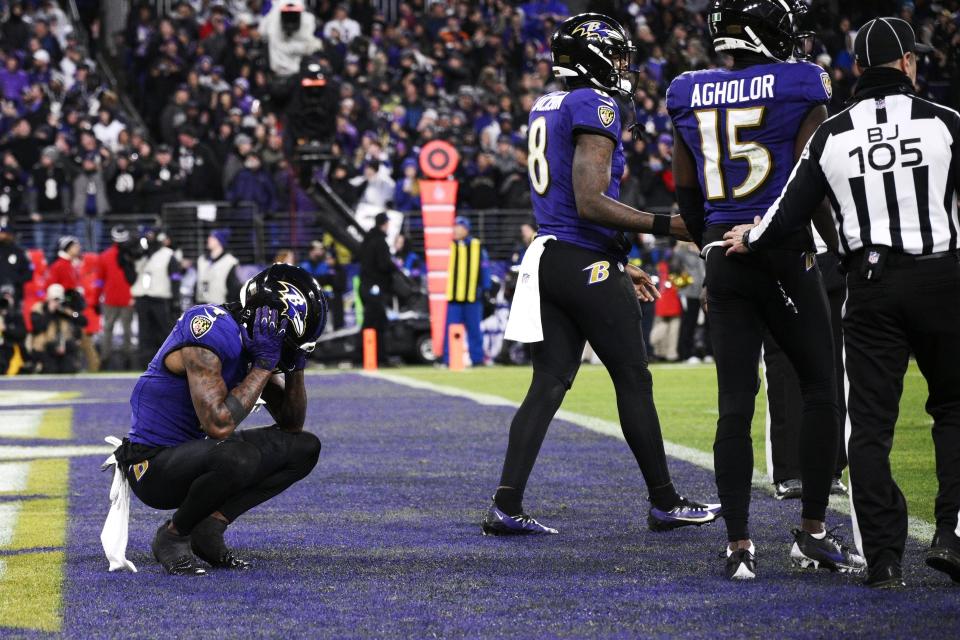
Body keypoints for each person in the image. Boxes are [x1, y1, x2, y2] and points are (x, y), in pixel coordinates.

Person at [723, 17, 959, 589]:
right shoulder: (947, 123)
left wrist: (747, 237)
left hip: (871, 288)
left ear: (857, 68)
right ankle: (952, 533)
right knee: (954, 410)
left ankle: (883, 559)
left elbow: (785, 214)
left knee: (871, 427)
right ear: (907, 63)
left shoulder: (832, 133)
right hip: (944, 279)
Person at [484, 13, 719, 536]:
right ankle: (664, 501)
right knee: (634, 379)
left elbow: (572, 206)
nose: (621, 67)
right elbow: (591, 203)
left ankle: (505, 504)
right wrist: (670, 225)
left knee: (547, 384)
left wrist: (620, 261)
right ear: (593, 58)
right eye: (615, 56)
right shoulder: (596, 103)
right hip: (581, 260)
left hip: (553, 258)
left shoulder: (548, 103)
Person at [666, 0, 864, 580]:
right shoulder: (801, 81)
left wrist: (710, 245)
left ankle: (738, 545)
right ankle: (812, 531)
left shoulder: (686, 90)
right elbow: (814, 175)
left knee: (734, 404)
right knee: (821, 387)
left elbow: (685, 189)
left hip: (723, 258)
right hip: (781, 252)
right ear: (765, 35)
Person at [110, 264, 327, 575]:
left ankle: (209, 529)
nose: (281, 352)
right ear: (266, 320)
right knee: (237, 455)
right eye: (286, 342)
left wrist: (296, 366)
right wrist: (264, 365)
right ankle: (173, 536)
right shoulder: (210, 328)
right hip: (152, 466)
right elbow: (218, 424)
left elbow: (292, 424)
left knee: (304, 448)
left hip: (197, 455)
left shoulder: (253, 343)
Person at [443, 216, 489, 366]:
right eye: (454, 226)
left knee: (474, 330)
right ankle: (447, 358)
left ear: (466, 229)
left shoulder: (477, 246)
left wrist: (486, 288)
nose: (455, 229)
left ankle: (477, 359)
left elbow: (485, 268)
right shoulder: (448, 246)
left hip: (472, 296)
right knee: (450, 329)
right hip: (453, 296)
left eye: (459, 226)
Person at [132, 228, 181, 367]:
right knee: (144, 333)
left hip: (161, 299)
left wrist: (175, 299)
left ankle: (168, 363)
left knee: (164, 332)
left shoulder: (168, 254)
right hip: (142, 298)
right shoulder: (142, 254)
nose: (149, 239)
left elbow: (175, 278)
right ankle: (145, 364)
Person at [357, 212, 395, 365]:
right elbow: (383, 265)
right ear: (384, 224)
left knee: (371, 321)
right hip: (374, 286)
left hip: (365, 285)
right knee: (377, 323)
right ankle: (377, 357)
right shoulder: (380, 242)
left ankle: (368, 357)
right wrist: (395, 267)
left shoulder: (367, 240)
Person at [98, 225, 137, 370]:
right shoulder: (132, 254)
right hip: (126, 298)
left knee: (108, 330)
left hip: (111, 299)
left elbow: (100, 280)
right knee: (126, 330)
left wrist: (98, 296)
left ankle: (105, 360)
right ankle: (127, 361)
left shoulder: (105, 255)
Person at [30, 282, 85, 373]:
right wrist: (49, 311)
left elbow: (81, 320)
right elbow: (37, 327)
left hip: (65, 348)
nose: (56, 302)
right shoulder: (39, 308)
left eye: (58, 299)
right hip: (45, 348)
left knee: (69, 369)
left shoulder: (65, 309)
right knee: (50, 370)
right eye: (54, 299)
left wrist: (70, 313)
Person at [196, 229, 241, 305]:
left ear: (220, 241)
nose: (209, 239)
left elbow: (234, 288)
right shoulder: (202, 260)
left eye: (213, 237)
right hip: (202, 304)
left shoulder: (230, 262)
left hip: (220, 305)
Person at [0, 217, 31, 306]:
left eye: (3, 233)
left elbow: (29, 273)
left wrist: (15, 280)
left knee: (15, 316)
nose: (2, 235)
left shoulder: (19, 252)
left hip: (16, 294)